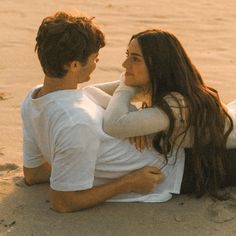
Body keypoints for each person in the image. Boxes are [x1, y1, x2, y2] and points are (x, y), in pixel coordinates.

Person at [21, 13, 189, 213]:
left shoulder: (34, 99)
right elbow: (64, 202)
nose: (96, 62)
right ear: (74, 65)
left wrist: (135, 121)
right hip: (181, 167)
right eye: (94, 58)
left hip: (172, 144)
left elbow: (33, 173)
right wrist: (128, 182)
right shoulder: (75, 122)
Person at [101, 29, 236, 199]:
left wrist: (126, 88)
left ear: (158, 65)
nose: (125, 65)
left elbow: (114, 125)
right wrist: (133, 111)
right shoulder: (157, 85)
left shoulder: (177, 104)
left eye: (135, 59)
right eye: (127, 55)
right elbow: (88, 93)